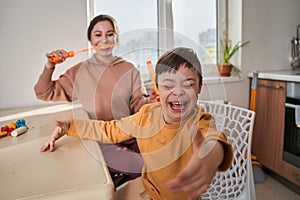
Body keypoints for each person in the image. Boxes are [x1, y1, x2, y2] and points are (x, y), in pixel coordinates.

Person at [40, 47, 233, 200]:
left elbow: (213, 141)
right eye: (168, 85)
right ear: (158, 87)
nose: (178, 92)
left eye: (188, 84)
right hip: (147, 188)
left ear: (199, 87)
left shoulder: (200, 121)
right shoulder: (148, 114)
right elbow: (111, 129)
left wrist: (209, 159)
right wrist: (70, 126)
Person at [34, 14, 156, 188]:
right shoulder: (79, 72)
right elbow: (43, 92)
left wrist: (150, 101)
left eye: (110, 34)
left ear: (116, 38)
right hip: (101, 140)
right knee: (140, 166)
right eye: (98, 35)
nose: (105, 39)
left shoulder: (130, 69)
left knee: (159, 163)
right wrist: (49, 66)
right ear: (91, 40)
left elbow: (139, 106)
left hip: (130, 135)